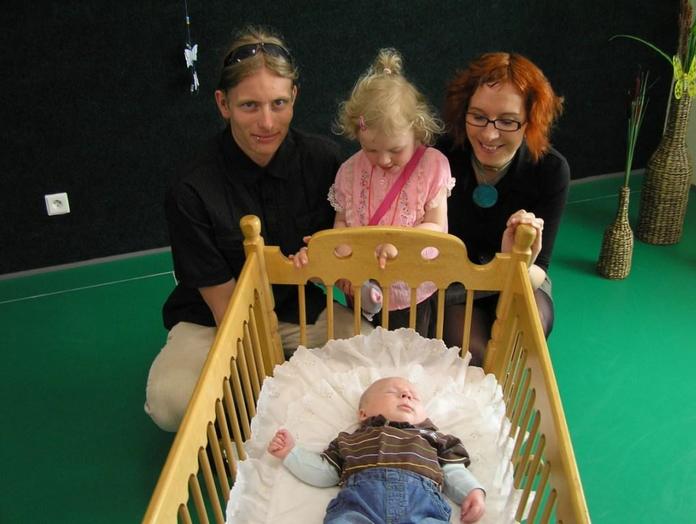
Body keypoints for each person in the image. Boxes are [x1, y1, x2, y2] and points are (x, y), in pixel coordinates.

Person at [145, 26, 369, 432]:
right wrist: (273, 377)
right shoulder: (191, 188)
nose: (267, 122)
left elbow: (339, 256)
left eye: (278, 103)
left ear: (294, 97)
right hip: (217, 319)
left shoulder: (325, 160)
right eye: (249, 106)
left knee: (374, 356)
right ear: (223, 103)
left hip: (299, 308)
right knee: (172, 403)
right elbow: (227, 308)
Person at [292, 48, 454, 337]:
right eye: (370, 149)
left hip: (411, 288)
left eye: (395, 150)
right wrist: (340, 254)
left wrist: (399, 244)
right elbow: (342, 223)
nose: (383, 160)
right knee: (366, 346)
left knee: (408, 348)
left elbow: (437, 227)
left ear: (418, 130)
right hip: (361, 286)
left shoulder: (432, 167)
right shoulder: (349, 171)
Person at [437, 52, 569, 366]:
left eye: (507, 121)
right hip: (458, 282)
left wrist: (519, 260)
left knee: (525, 335)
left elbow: (539, 269)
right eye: (478, 116)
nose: (489, 134)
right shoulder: (441, 154)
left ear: (530, 121)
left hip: (519, 277)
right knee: (474, 354)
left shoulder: (550, 170)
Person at [268, 377, 486, 523]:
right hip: (361, 502)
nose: (407, 396)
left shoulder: (434, 438)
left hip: (421, 501)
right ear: (363, 413)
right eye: (394, 392)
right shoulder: (349, 440)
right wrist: (291, 453)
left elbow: (454, 472)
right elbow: (324, 473)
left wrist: (472, 492)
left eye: (413, 396)